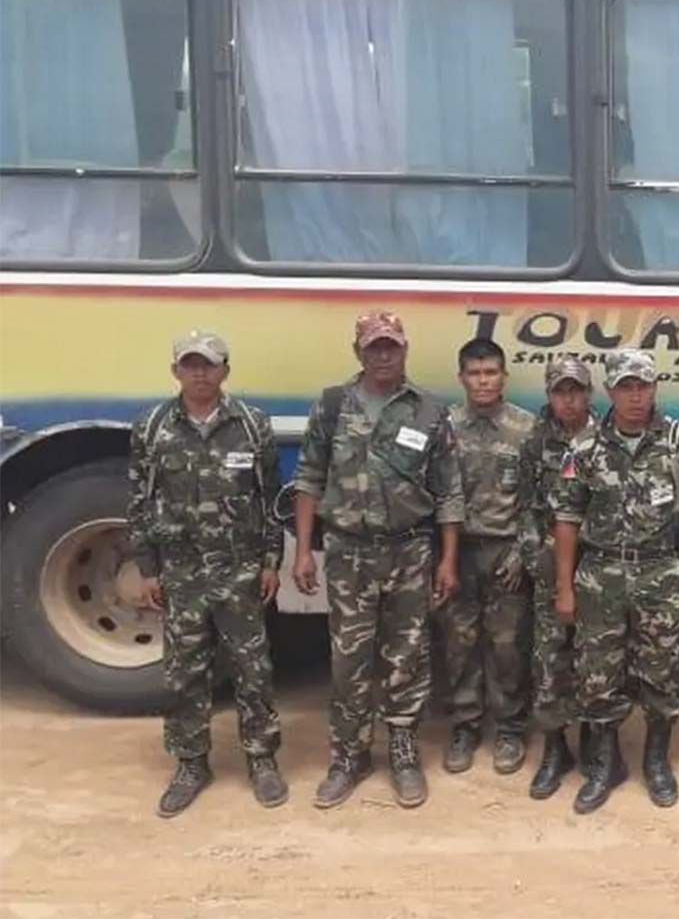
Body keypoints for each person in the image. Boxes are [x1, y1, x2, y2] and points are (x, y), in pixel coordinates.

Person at [294, 310, 463, 811]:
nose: (383, 355)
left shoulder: (430, 412)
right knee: (349, 659)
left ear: (405, 350)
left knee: (407, 656)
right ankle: (349, 755)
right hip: (348, 552)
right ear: (359, 353)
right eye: (374, 348)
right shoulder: (331, 407)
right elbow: (308, 478)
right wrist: (304, 550)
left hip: (409, 550)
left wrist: (448, 561)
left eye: (391, 346)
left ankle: (404, 752)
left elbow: (449, 493)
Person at [552, 349, 679, 814]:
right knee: (598, 673)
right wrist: (564, 587)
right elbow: (566, 519)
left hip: (659, 570)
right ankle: (604, 765)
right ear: (609, 392)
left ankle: (656, 761)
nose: (635, 396)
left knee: (663, 671)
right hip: (601, 572)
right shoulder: (584, 447)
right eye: (626, 387)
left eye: (643, 386)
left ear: (654, 389)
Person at [130, 330, 285, 817]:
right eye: (190, 364)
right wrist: (148, 568)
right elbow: (139, 502)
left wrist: (270, 562)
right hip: (181, 572)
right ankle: (191, 762)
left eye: (210, 364)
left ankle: (262, 759)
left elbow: (271, 500)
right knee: (184, 673)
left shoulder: (251, 425)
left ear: (225, 370)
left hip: (240, 572)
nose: (200, 372)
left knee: (252, 670)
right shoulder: (153, 426)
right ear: (176, 370)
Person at [441, 339, 538, 777]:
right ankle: (464, 727)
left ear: (503, 377)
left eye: (491, 373)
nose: (483, 381)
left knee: (507, 647)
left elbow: (540, 500)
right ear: (461, 377)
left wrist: (523, 551)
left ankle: (511, 729)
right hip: (458, 551)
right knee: (459, 643)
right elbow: (432, 494)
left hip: (506, 552)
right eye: (475, 373)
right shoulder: (444, 428)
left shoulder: (526, 428)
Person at [520, 355, 596, 800]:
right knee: (549, 662)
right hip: (551, 571)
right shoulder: (536, 443)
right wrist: (537, 557)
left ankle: (593, 743)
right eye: (560, 391)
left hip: (599, 572)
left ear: (588, 393)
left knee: (595, 663)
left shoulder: (605, 438)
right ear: (550, 395)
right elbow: (526, 508)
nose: (568, 400)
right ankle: (554, 748)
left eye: (576, 391)